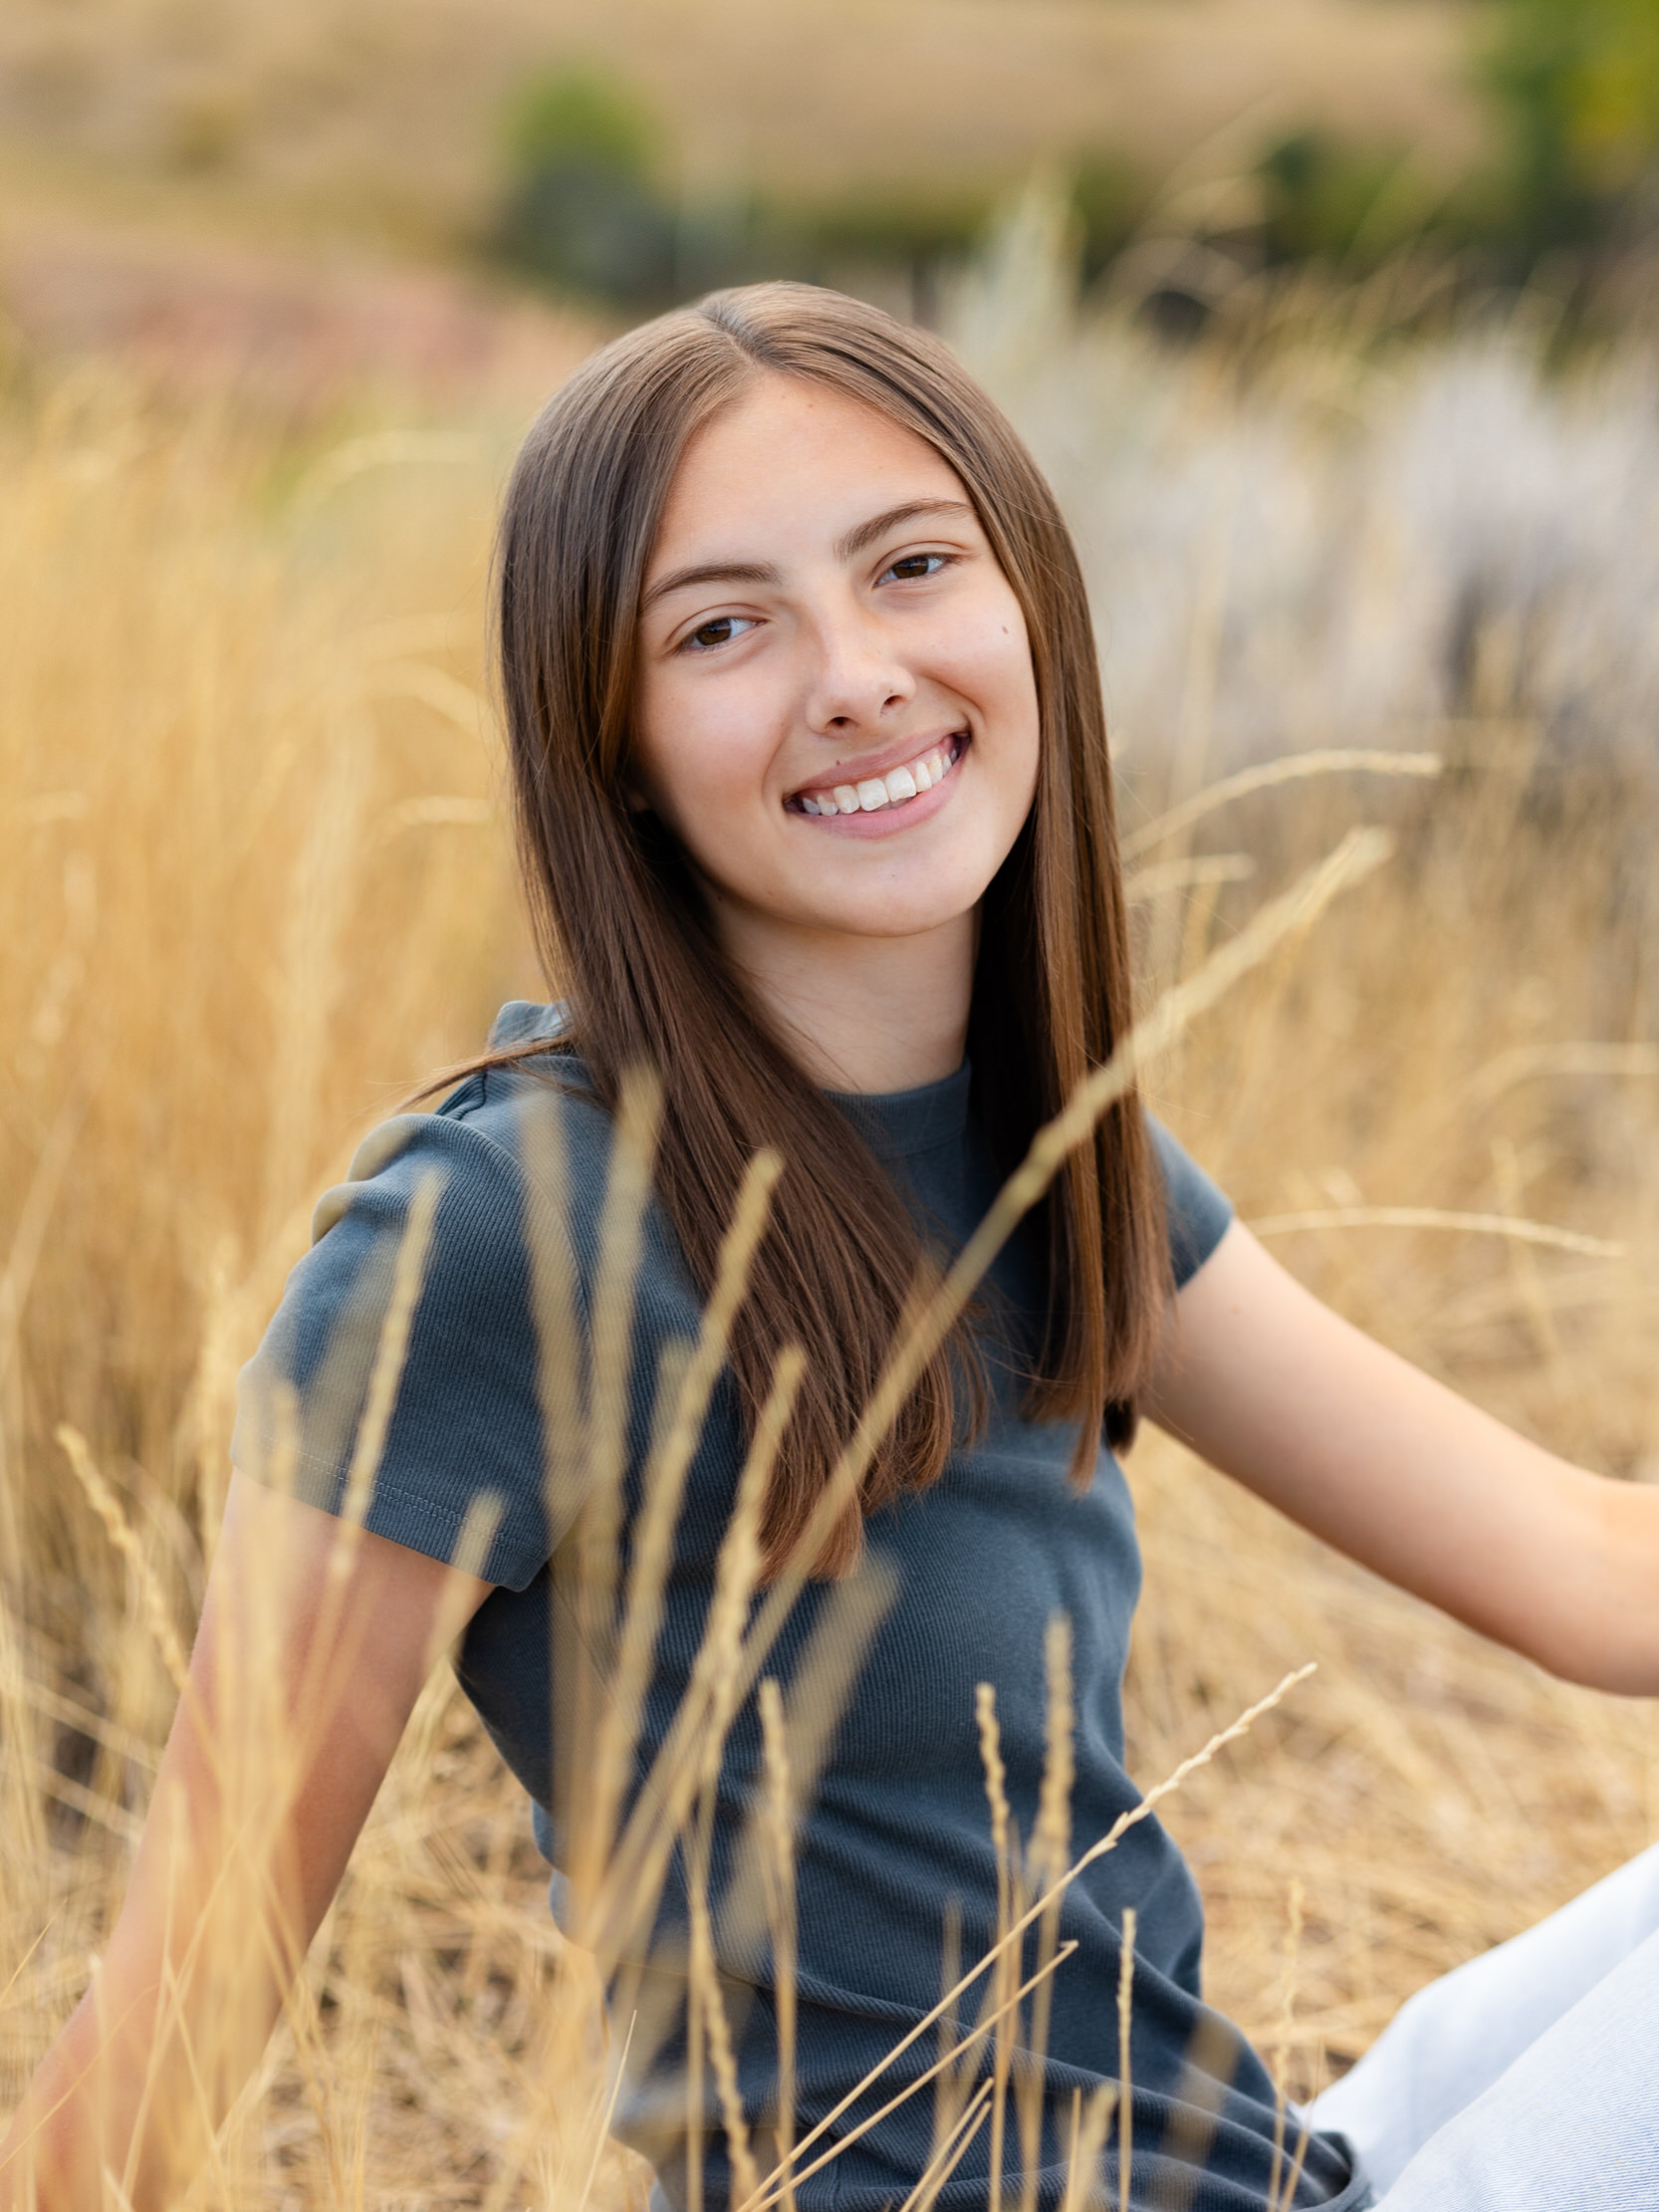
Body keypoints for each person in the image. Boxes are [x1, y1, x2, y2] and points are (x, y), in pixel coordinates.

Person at [5, 283, 1659, 2212]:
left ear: (1028, 594)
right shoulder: (494, 1233)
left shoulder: (1048, 1146)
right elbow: (177, 2014)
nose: (855, 669)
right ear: (606, 738)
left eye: (911, 565)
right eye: (722, 625)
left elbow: (1595, 1578)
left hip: (1260, 2173)